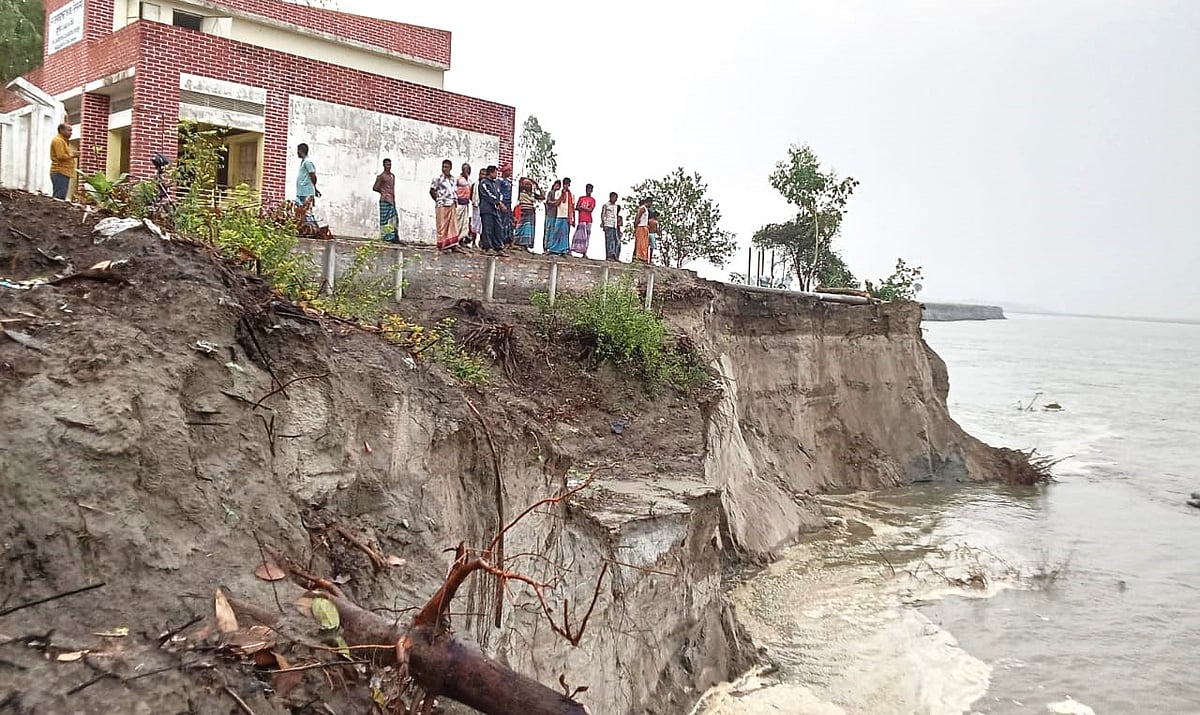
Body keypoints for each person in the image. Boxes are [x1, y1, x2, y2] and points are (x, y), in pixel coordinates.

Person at [429, 159, 461, 252]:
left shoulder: (453, 179)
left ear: (450, 168)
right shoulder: (437, 178)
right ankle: (441, 245)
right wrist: (438, 200)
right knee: (441, 225)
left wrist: (455, 201)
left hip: (451, 203)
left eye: (446, 167)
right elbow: (432, 190)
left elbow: (454, 191)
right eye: (443, 166)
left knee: (452, 226)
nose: (444, 168)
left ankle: (452, 245)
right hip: (442, 204)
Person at [477, 165, 508, 255]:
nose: (496, 175)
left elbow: (499, 194)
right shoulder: (484, 183)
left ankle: (498, 247)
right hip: (487, 209)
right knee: (488, 228)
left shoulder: (495, 184)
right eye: (495, 173)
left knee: (498, 227)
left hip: (495, 210)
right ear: (490, 172)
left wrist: (499, 202)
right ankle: (487, 247)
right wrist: (498, 202)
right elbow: (488, 194)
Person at [546, 177, 575, 256]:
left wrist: (574, 219)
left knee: (565, 233)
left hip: (567, 216)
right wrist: (562, 194)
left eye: (567, 184)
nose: (566, 185)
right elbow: (556, 203)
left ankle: (564, 249)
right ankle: (554, 248)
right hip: (559, 215)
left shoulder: (572, 195)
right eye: (565, 184)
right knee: (556, 232)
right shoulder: (558, 192)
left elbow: (572, 207)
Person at [515, 177, 544, 251]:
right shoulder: (521, 193)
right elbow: (520, 181)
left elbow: (542, 197)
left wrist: (537, 186)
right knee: (524, 227)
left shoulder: (533, 194)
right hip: (524, 211)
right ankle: (520, 243)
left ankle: (526, 244)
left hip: (531, 211)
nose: (528, 186)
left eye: (529, 184)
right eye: (526, 184)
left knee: (529, 228)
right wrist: (531, 180)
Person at [372, 158, 398, 242]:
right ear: (384, 165)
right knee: (384, 219)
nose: (389, 166)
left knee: (394, 218)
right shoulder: (381, 176)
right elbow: (375, 187)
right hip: (384, 200)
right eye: (387, 165)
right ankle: (385, 236)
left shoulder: (392, 176)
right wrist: (383, 192)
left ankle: (392, 236)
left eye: (390, 165)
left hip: (391, 200)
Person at [49, 123, 76, 200]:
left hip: (63, 172)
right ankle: (55, 211)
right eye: (69, 130)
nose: (71, 132)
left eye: (71, 130)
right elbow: (61, 156)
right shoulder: (58, 140)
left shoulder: (63, 141)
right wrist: (73, 154)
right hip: (60, 172)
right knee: (59, 196)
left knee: (61, 195)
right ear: (61, 130)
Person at [571, 183, 596, 257]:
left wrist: (583, 208)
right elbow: (577, 207)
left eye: (590, 189)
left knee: (587, 236)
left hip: (588, 219)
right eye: (588, 189)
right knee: (579, 235)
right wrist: (585, 208)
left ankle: (584, 252)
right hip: (581, 219)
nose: (589, 191)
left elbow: (590, 209)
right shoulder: (581, 198)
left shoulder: (592, 200)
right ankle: (573, 249)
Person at [455, 163, 474, 246]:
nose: (467, 171)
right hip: (459, 203)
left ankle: (462, 239)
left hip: (466, 203)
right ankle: (455, 239)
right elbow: (454, 190)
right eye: (466, 169)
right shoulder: (458, 179)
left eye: (468, 170)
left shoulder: (469, 180)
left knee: (465, 223)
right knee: (458, 221)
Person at [600, 192, 622, 261]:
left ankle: (614, 255)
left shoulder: (616, 206)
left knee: (616, 241)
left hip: (614, 225)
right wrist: (603, 224)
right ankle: (609, 255)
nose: (615, 199)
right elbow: (603, 215)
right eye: (614, 197)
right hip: (608, 224)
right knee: (609, 240)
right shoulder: (606, 205)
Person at [498, 164, 515, 248]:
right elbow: (499, 192)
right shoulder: (500, 181)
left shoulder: (509, 182)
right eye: (508, 170)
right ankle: (502, 240)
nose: (510, 172)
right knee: (503, 222)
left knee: (509, 222)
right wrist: (500, 203)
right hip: (503, 203)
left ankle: (509, 240)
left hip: (509, 203)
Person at [543, 179, 562, 253]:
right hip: (550, 214)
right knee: (548, 230)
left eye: (558, 186)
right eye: (556, 185)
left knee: (554, 231)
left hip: (556, 215)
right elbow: (548, 201)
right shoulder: (551, 193)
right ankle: (545, 247)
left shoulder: (559, 194)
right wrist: (555, 202)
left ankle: (552, 247)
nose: (557, 187)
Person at [632, 196, 652, 262]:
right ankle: (639, 257)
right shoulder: (642, 208)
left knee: (644, 244)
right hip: (640, 227)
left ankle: (643, 257)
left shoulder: (646, 209)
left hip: (644, 227)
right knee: (640, 243)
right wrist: (636, 224)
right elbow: (638, 217)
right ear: (648, 202)